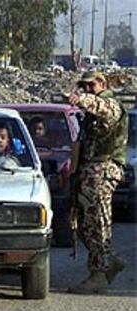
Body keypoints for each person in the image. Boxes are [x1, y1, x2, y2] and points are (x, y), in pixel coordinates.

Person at [67, 70, 128, 294]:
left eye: (91, 85)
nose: (87, 89)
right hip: (89, 172)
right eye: (84, 86)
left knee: (98, 222)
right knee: (86, 224)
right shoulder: (90, 112)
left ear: (102, 83)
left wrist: (81, 99)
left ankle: (99, 273)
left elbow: (102, 107)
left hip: (103, 171)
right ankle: (107, 261)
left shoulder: (111, 104)